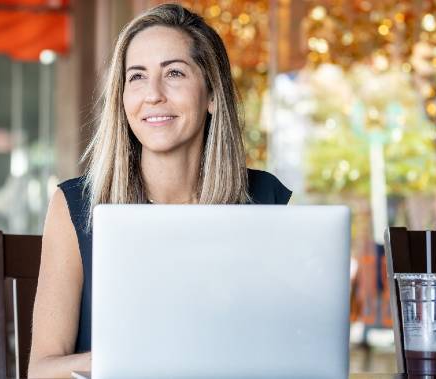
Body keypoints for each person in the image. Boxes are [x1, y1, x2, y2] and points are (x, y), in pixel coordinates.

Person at [27, 4, 291, 377]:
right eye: (136, 77)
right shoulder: (76, 206)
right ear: (122, 98)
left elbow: (293, 349)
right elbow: (41, 371)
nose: (153, 94)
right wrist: (138, 359)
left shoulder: (267, 200)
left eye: (175, 73)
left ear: (212, 94)